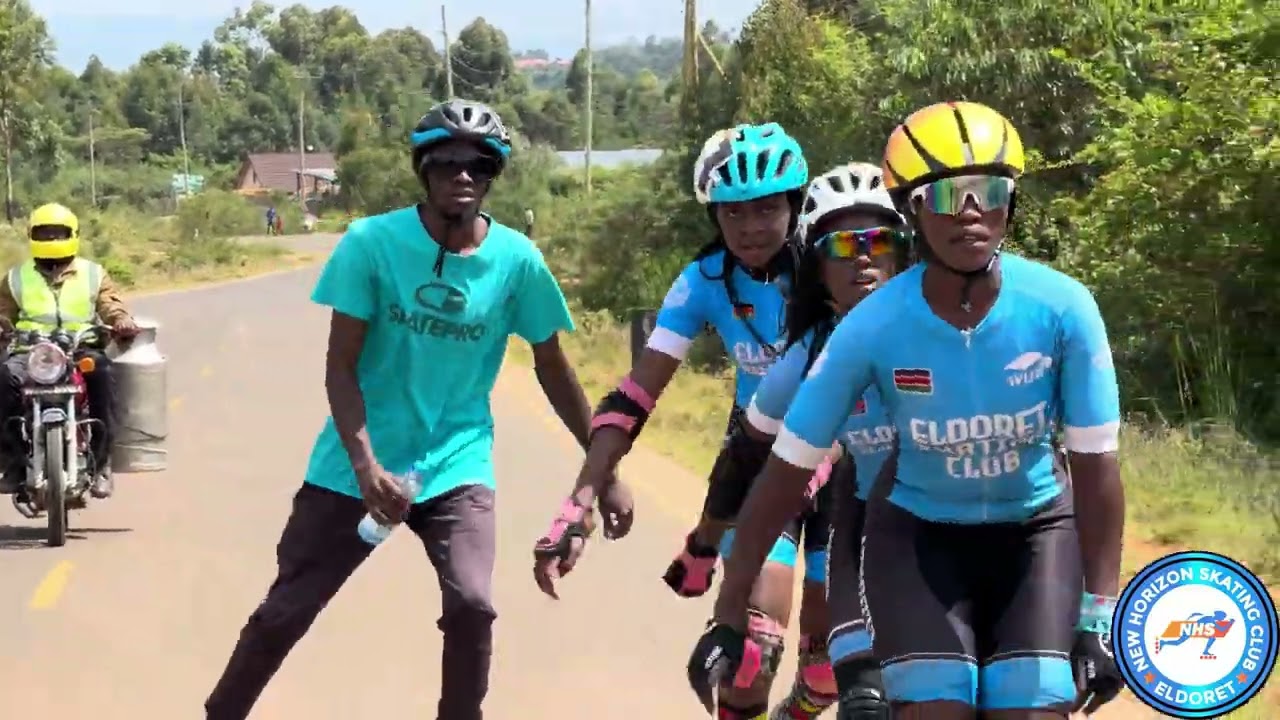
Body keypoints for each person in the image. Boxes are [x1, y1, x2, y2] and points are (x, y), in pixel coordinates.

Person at [687, 101, 1127, 720]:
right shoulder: (869, 328)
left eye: (988, 191)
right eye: (946, 196)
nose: (970, 211)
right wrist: (729, 614)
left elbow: (1097, 470)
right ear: (914, 210)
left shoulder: (1064, 308)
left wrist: (1100, 617)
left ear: (1010, 204)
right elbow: (782, 477)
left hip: (1035, 535)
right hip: (919, 541)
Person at [204, 99, 633, 720]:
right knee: (286, 611)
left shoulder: (517, 261)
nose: (463, 175)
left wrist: (608, 473)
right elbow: (340, 366)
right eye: (447, 162)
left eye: (479, 165)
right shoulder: (370, 244)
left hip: (457, 459)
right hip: (357, 460)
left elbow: (553, 368)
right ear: (423, 170)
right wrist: (366, 469)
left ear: (494, 176)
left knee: (473, 605)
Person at [534, 122, 828, 720]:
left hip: (850, 467)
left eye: (767, 210)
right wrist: (579, 500)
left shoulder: (833, 268)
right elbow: (636, 394)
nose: (749, 228)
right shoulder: (703, 281)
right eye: (732, 214)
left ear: (795, 206)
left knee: (828, 671)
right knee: (752, 654)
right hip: (760, 463)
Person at [734, 162, 911, 719]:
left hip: (950, 533)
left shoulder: (946, 329)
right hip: (846, 519)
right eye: (842, 246)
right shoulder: (813, 350)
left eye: (879, 239)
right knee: (760, 654)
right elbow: (752, 447)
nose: (863, 256)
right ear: (817, 263)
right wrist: (706, 543)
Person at [0, 202, 139, 500]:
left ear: (73, 234)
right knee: (5, 377)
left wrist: (121, 320)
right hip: (31, 353)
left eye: (57, 233)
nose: (51, 240)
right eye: (44, 233)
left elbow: (110, 304)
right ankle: (12, 461)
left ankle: (101, 463)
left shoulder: (93, 273)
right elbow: (3, 313)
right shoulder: (15, 277)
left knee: (102, 373)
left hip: (80, 349)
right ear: (32, 235)